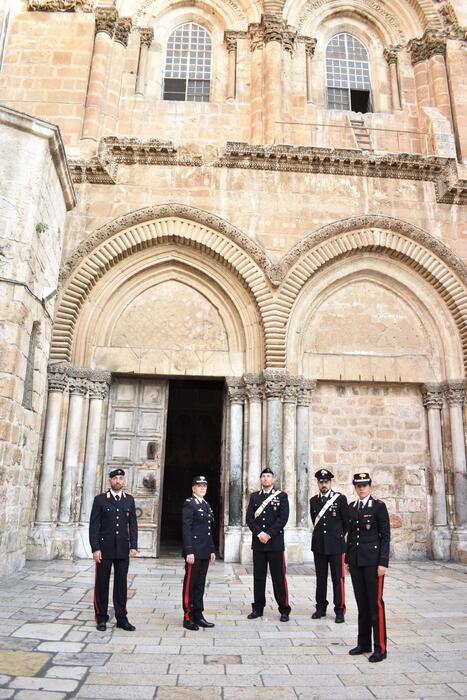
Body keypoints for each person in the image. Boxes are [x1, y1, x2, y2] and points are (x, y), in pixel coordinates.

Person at [346, 472, 390, 662]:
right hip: (356, 562)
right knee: (362, 604)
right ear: (355, 487)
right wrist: (348, 560)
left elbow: (385, 536)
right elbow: (351, 536)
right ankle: (364, 643)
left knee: (375, 604)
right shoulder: (352, 507)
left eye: (365, 485)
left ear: (370, 487)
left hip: (373, 563)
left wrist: (383, 562)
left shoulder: (378, 507)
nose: (362, 488)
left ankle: (380, 648)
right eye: (358, 485)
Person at [89, 468, 138, 632]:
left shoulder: (129, 500)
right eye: (115, 478)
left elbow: (133, 525)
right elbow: (94, 525)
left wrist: (133, 545)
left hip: (123, 549)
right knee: (102, 583)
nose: (118, 481)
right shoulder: (101, 500)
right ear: (110, 480)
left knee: (121, 585)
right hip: (105, 549)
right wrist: (95, 548)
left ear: (124, 481)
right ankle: (101, 617)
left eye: (121, 478)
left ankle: (121, 618)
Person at [245, 467, 291, 622]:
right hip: (258, 543)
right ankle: (258, 608)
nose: (266, 479)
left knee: (278, 577)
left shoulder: (282, 496)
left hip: (275, 544)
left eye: (268, 476)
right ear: (260, 479)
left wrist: (269, 534)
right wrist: (259, 534)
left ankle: (284, 609)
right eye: (263, 476)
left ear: (273, 479)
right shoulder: (254, 497)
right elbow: (249, 519)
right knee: (259, 577)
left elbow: (283, 518)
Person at [309, 468, 349, 623]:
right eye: (321, 482)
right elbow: (315, 520)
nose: (323, 484)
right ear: (318, 483)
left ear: (330, 482)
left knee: (337, 579)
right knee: (320, 578)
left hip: (336, 546)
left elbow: (346, 523)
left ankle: (339, 609)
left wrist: (337, 536)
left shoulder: (340, 499)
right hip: (319, 545)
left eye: (326, 481)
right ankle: (320, 608)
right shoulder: (313, 500)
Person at [182, 475, 216, 631]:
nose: (202, 488)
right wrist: (189, 550)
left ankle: (199, 615)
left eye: (204, 486)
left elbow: (207, 531)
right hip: (194, 552)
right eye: (199, 486)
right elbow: (186, 529)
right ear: (193, 488)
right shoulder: (190, 504)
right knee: (190, 584)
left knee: (200, 584)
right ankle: (188, 616)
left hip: (204, 551)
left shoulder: (206, 505)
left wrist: (212, 550)